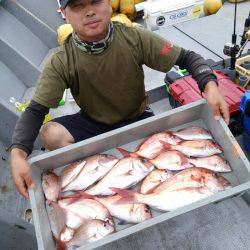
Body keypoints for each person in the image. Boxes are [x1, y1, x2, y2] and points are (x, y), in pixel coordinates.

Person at [10, 0, 230, 198]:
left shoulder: (134, 36)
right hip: (93, 122)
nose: (89, 12)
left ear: (109, 4)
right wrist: (18, 152)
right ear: (64, 14)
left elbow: (187, 57)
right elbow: (36, 110)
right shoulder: (62, 60)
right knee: (50, 134)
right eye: (78, 6)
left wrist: (210, 85)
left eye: (95, 1)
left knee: (169, 155)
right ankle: (97, 174)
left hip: (137, 116)